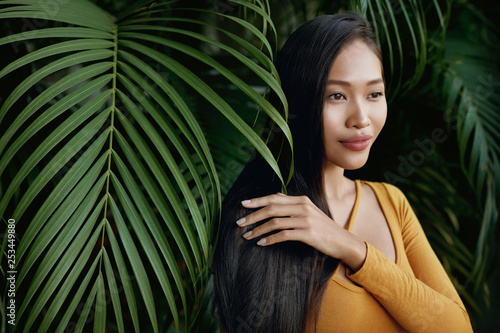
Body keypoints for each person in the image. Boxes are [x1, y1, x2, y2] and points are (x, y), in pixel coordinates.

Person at [212, 12, 473, 333]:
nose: (361, 118)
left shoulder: (391, 202)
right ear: (298, 103)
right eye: (337, 95)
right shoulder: (265, 218)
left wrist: (352, 249)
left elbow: (457, 327)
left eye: (374, 94)